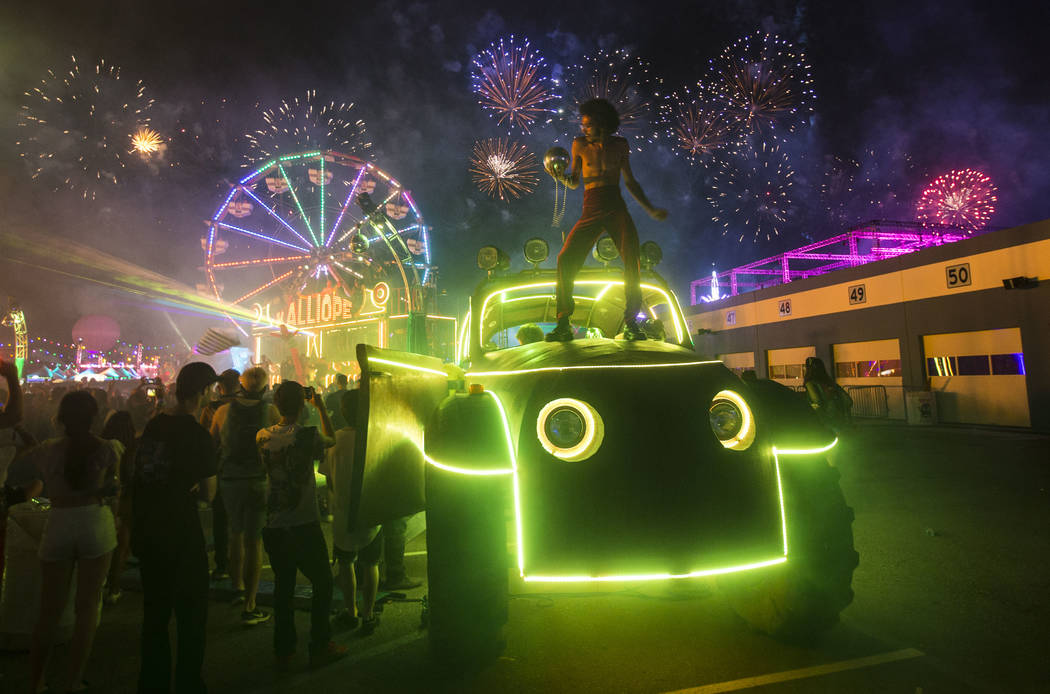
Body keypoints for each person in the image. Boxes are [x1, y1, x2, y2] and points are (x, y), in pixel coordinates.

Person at [545, 98, 668, 343]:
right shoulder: (579, 145)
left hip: (614, 205)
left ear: (601, 124)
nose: (582, 128)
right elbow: (575, 181)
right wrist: (559, 177)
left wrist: (650, 209)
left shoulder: (620, 145)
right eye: (582, 124)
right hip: (591, 206)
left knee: (632, 259)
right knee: (565, 258)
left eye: (587, 124)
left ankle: (632, 322)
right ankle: (563, 322)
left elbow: (630, 182)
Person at [132, 362, 219, 694]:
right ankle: (188, 684)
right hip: (182, 533)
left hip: (150, 531)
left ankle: (152, 684)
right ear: (200, 392)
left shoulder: (154, 427)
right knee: (191, 617)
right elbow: (210, 493)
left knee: (154, 617)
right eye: (210, 390)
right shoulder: (197, 435)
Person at [26, 390, 121, 694]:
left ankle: (36, 681)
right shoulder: (108, 449)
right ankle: (73, 680)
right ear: (94, 416)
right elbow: (113, 487)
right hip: (95, 521)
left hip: (59, 521)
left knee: (48, 610)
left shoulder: (46, 450)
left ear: (61, 418)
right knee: (88, 607)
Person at [257, 381, 346, 669]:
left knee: (283, 587)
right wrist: (320, 407)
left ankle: (284, 649)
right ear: (302, 404)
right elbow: (331, 440)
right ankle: (320, 644)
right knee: (322, 582)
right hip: (303, 523)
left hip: (274, 523)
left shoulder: (262, 436)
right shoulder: (308, 436)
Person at [209, 366, 278, 626]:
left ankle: (237, 586)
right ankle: (251, 602)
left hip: (230, 479)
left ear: (241, 384)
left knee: (234, 534)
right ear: (265, 387)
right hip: (258, 479)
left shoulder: (223, 411)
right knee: (254, 541)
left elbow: (212, 441)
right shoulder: (270, 412)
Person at [319, 390, 382, 636]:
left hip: (342, 514)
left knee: (346, 564)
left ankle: (351, 611)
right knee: (371, 564)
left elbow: (328, 479)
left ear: (343, 412)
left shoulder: (334, 440)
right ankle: (368, 614)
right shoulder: (374, 436)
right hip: (370, 512)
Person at [199, 368, 240, 582]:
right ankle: (240, 569)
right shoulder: (254, 407)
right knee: (243, 523)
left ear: (219, 387)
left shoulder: (212, 408)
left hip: (221, 470)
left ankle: (222, 565)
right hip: (247, 471)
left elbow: (206, 439)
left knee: (221, 520)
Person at [101, 411, 138, 606]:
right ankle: (113, 588)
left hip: (102, 499)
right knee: (121, 543)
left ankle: (105, 585)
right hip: (124, 499)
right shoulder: (130, 449)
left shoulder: (101, 446)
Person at [803, 356, 853, 434]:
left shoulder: (810, 383)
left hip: (825, 416)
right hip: (838, 413)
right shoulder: (829, 381)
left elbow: (816, 400)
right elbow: (848, 400)